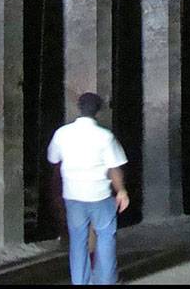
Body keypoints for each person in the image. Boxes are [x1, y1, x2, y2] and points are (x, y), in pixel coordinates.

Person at [47, 92, 130, 285]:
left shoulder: (62, 133)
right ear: (98, 111)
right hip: (99, 195)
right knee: (106, 238)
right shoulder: (105, 136)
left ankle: (80, 282)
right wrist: (122, 191)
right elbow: (114, 167)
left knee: (78, 241)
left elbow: (53, 159)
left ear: (79, 107)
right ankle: (106, 280)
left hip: (73, 195)